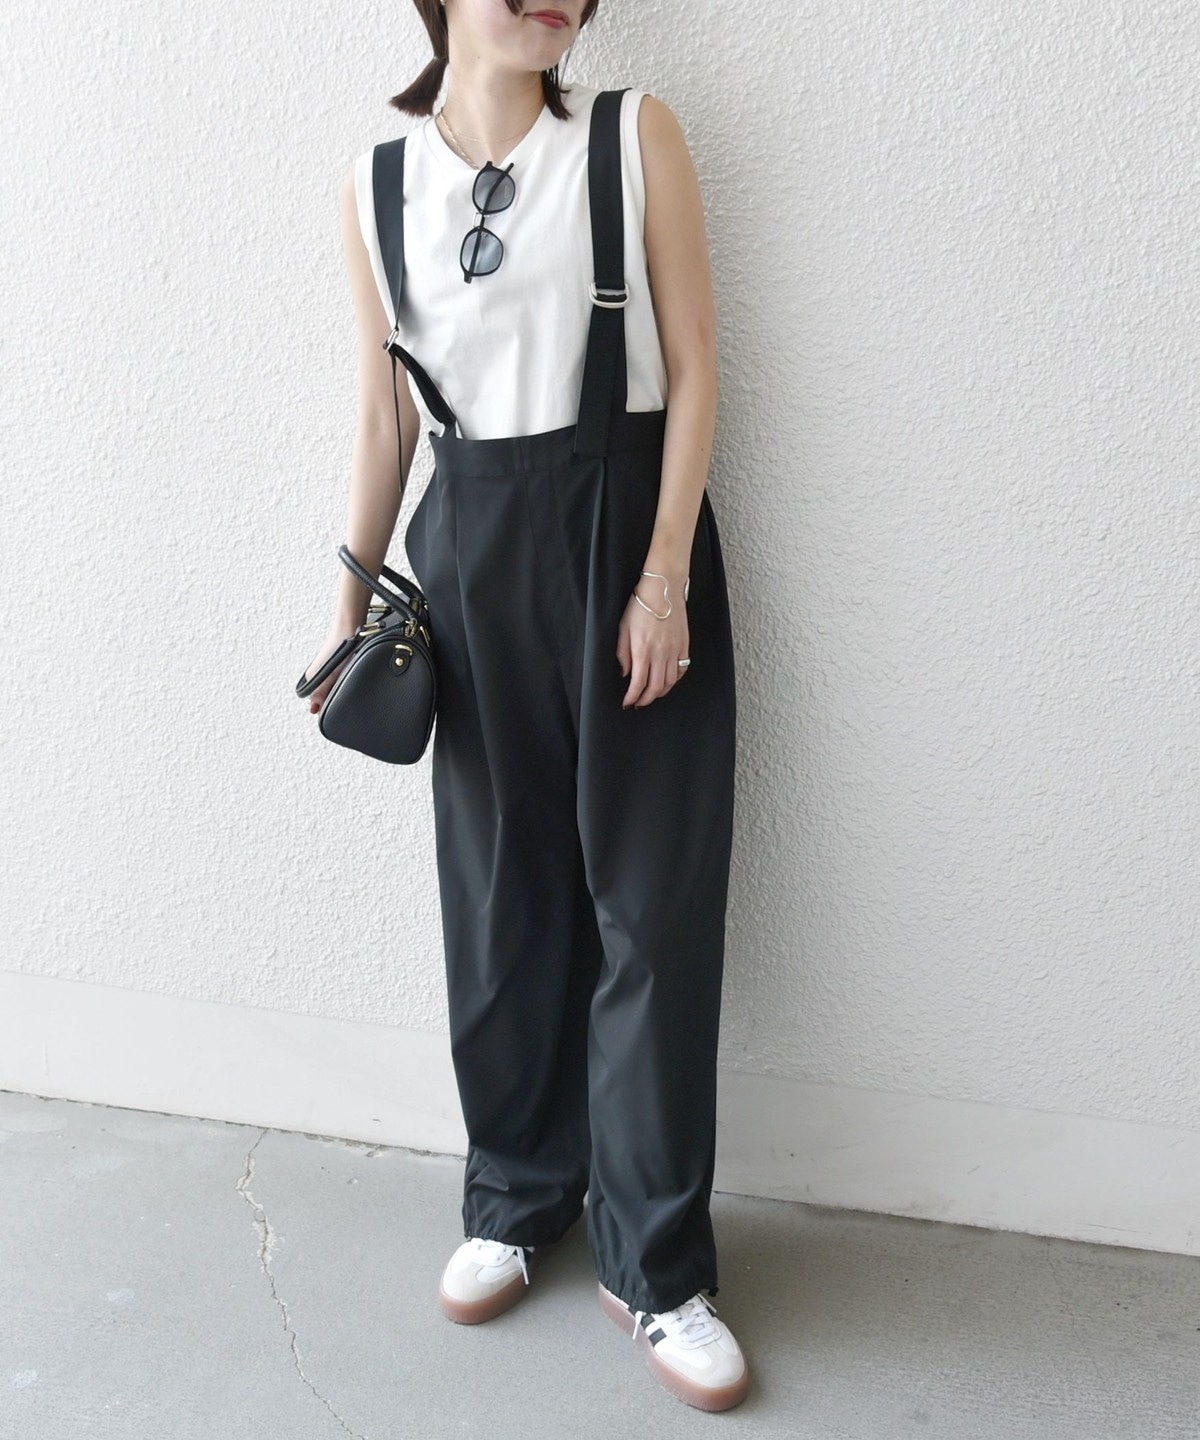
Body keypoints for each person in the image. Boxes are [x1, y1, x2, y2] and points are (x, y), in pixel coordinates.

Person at [302, 0, 747, 1413]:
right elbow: (386, 415)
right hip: (471, 548)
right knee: (501, 897)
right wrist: (348, 607)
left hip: (627, 536)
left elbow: (696, 369)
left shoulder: (629, 138)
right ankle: (516, 1195)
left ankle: (656, 1266)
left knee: (650, 909)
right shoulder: (379, 184)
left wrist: (663, 578)